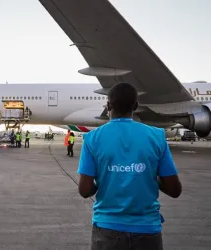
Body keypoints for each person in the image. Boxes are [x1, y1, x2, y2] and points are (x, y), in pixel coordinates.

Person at [77, 83, 182, 250]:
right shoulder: (157, 136)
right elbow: (175, 190)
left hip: (107, 228)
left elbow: (84, 190)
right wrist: (151, 176)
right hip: (147, 229)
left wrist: (100, 182)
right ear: (135, 106)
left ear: (108, 105)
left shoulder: (92, 139)